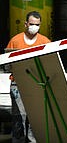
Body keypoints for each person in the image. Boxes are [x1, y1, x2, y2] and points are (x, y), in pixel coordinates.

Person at [6, 10, 51, 143]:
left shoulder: (45, 42)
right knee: (19, 117)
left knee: (35, 119)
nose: (34, 27)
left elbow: (50, 64)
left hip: (37, 84)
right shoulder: (15, 41)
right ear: (26, 24)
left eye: (37, 25)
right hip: (18, 85)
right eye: (32, 24)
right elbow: (7, 64)